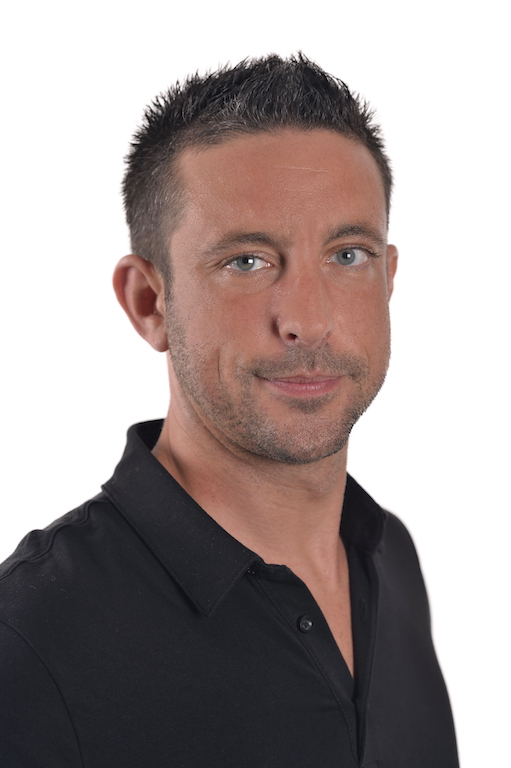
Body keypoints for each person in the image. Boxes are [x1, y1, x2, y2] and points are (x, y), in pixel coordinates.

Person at [0, 54, 458, 767]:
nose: (308, 320)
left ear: (388, 278)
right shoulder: (30, 641)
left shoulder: (388, 558)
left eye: (347, 255)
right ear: (149, 303)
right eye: (247, 261)